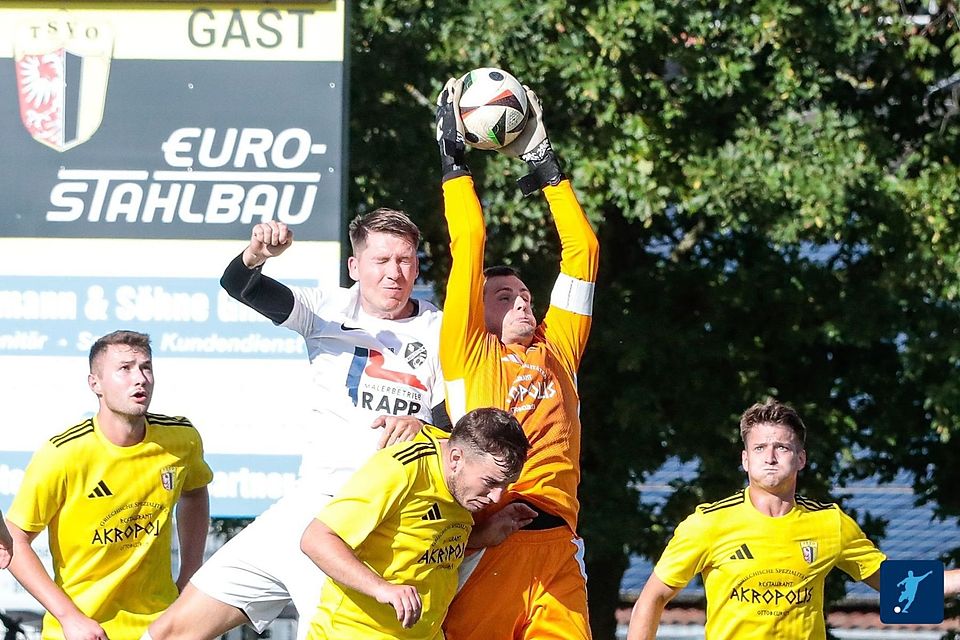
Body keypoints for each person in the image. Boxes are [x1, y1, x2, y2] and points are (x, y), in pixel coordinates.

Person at [146, 210, 450, 640]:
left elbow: (463, 430)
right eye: (381, 260)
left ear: (416, 267)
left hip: (370, 524)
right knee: (170, 631)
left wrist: (423, 427)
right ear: (354, 266)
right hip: (306, 506)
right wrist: (256, 254)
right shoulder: (325, 309)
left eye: (404, 261)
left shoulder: (441, 331)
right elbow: (239, 284)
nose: (393, 273)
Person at [435, 78, 600, 639]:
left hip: (558, 544)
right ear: (479, 313)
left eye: (525, 293)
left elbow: (583, 251)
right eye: (503, 297)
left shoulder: (559, 349)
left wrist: (545, 165)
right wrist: (453, 161)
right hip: (490, 537)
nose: (523, 300)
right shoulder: (468, 351)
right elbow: (470, 240)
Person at [626, 399, 960, 640]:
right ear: (745, 459)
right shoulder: (707, 524)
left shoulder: (830, 523)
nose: (770, 457)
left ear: (800, 459)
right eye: (759, 448)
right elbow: (652, 598)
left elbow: (897, 590)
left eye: (782, 448)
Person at [4, 330, 212, 640]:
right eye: (125, 369)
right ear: (95, 384)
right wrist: (69, 617)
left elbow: (194, 492)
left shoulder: (181, 439)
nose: (140, 379)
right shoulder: (63, 454)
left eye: (146, 367)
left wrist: (190, 576)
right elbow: (13, 540)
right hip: (83, 631)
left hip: (159, 627)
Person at [300, 407, 530, 639]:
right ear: (456, 458)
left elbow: (423, 538)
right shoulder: (400, 469)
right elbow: (316, 539)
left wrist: (480, 535)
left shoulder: (464, 479)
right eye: (490, 483)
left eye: (505, 485)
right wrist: (381, 588)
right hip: (355, 633)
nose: (496, 497)